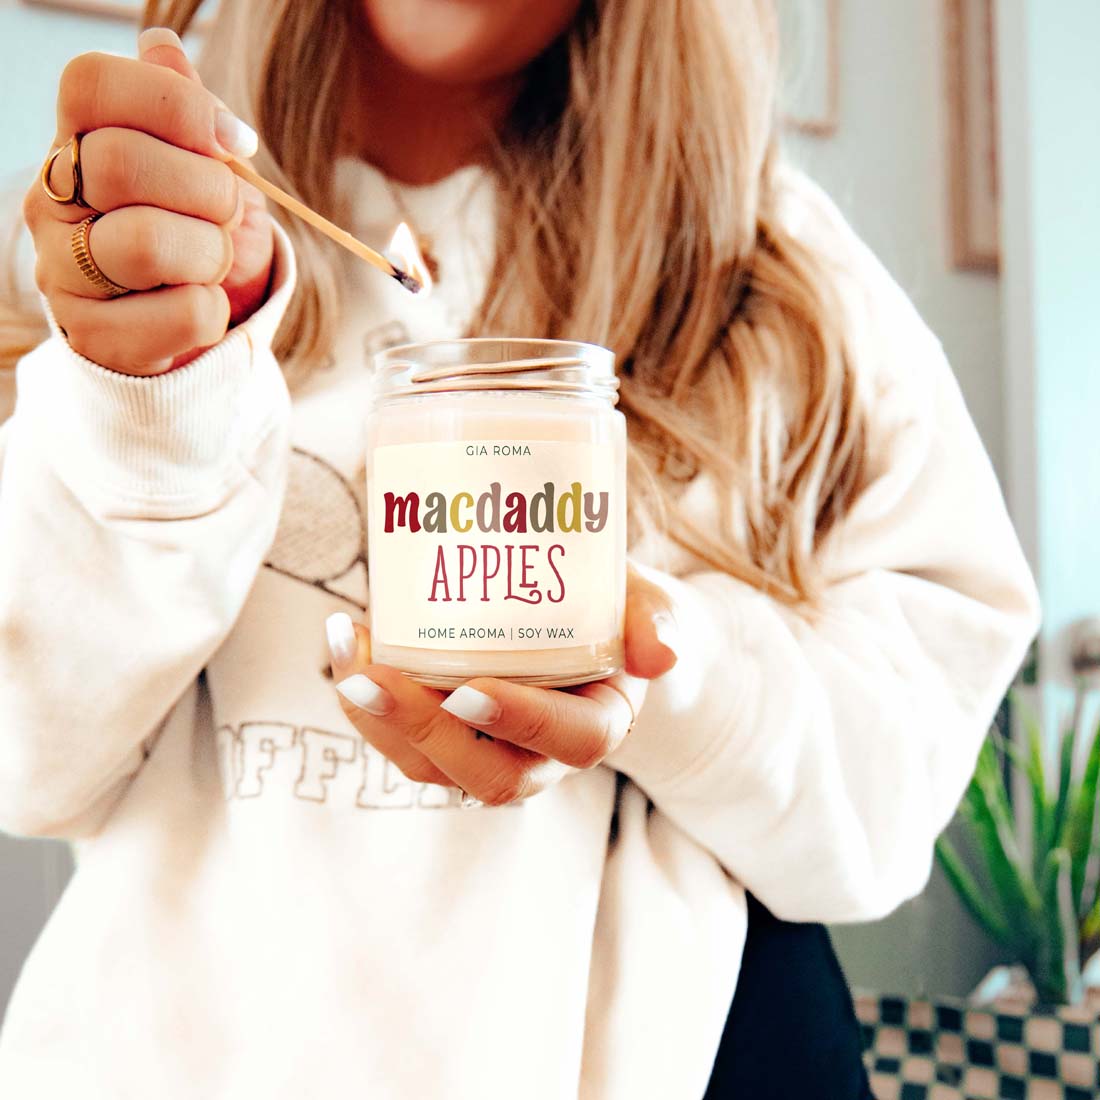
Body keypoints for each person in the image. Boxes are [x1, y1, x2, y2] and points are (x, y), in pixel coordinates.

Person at [0, 1, 1038, 1096]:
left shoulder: (774, 262)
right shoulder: (126, 238)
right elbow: (25, 757)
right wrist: (150, 409)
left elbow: (885, 805)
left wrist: (656, 668)